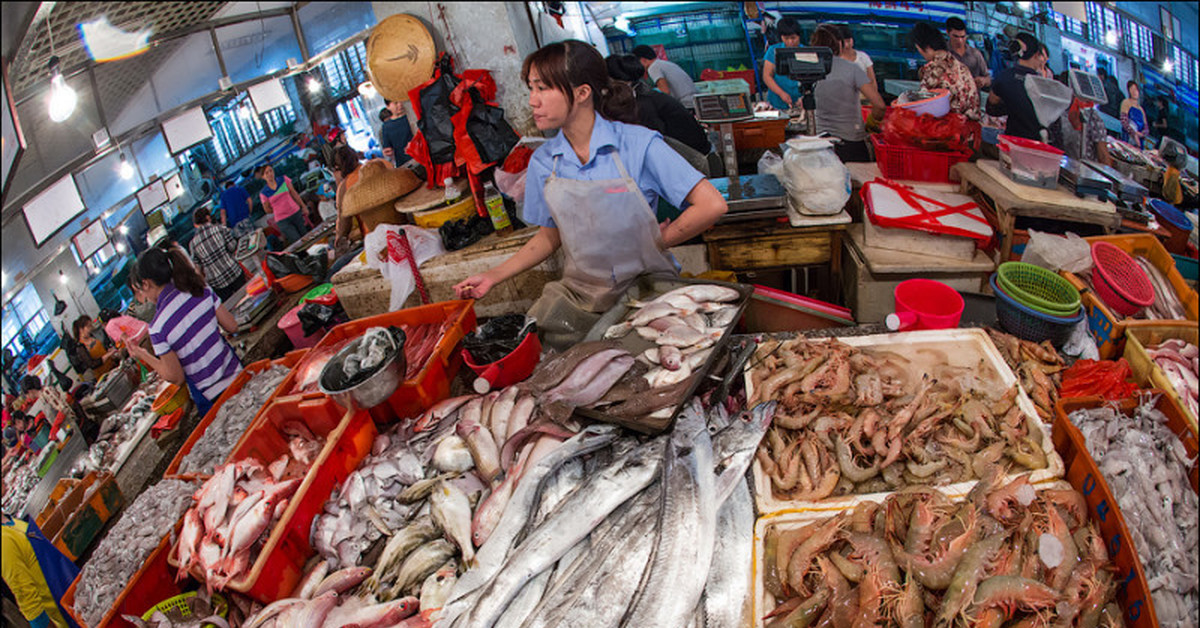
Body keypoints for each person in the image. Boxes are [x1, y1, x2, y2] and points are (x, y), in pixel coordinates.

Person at [453, 40, 727, 350]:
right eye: (531, 88)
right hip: (583, 296)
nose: (532, 101)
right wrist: (492, 276)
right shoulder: (546, 162)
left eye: (543, 88)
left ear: (583, 93)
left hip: (649, 289)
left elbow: (711, 205)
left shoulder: (637, 145)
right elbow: (548, 238)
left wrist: (655, 241)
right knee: (541, 351)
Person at [124, 246, 242, 418]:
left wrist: (141, 354)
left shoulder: (157, 328)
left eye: (140, 290)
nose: (143, 296)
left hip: (213, 399)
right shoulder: (200, 288)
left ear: (146, 284)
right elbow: (232, 326)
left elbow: (175, 377)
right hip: (238, 375)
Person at [606, 54, 711, 154]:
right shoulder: (644, 93)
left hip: (694, 156)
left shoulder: (644, 103)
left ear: (618, 82)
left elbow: (654, 141)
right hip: (693, 148)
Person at [810, 24, 886, 162]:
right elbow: (879, 105)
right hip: (851, 143)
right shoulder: (852, 69)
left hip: (820, 144)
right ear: (839, 43)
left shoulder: (810, 70)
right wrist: (871, 124)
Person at [2, 512, 79, 628]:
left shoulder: (8, 521)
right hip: (66, 611)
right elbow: (26, 596)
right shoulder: (4, 541)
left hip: (73, 586)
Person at [911, 22, 981, 120]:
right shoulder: (962, 67)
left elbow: (927, 112)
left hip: (948, 131)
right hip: (970, 130)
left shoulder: (933, 70)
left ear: (926, 47)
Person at [986, 32, 1045, 140]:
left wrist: (1009, 107)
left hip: (1012, 141)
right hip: (1036, 143)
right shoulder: (1042, 84)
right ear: (1036, 55)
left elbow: (991, 107)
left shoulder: (1004, 76)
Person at [189, 207, 246, 303]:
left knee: (232, 307)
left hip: (216, 283)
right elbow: (233, 246)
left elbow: (197, 269)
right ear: (208, 218)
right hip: (233, 271)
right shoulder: (220, 229)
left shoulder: (193, 244)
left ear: (196, 224)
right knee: (246, 297)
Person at [631, 45, 697, 111]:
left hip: (686, 104)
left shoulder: (653, 67)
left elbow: (665, 91)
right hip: (693, 100)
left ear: (643, 60)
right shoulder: (664, 63)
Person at [255, 162, 308, 245]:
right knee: (296, 240)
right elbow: (267, 209)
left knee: (306, 235)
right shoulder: (264, 193)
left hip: (296, 213)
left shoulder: (283, 179)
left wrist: (303, 206)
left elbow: (294, 193)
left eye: (270, 171)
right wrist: (278, 209)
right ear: (263, 177)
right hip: (282, 220)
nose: (269, 174)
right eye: (266, 173)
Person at [1049, 96, 1111, 164]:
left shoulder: (1055, 111)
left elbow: (1103, 155)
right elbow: (1103, 155)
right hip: (1069, 164)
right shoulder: (1091, 115)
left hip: (1066, 164)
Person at [763, 17, 803, 110]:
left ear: (799, 36)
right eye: (786, 38)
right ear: (781, 37)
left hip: (800, 102)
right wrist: (781, 93)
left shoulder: (807, 53)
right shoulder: (773, 51)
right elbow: (767, 76)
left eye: (793, 38)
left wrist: (804, 97)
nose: (790, 42)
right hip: (777, 102)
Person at [331, 145, 365, 251]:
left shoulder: (345, 186)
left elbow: (344, 221)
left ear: (338, 167)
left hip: (373, 235)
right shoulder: (375, 165)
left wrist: (339, 239)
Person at [945, 17, 991, 89]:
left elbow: (988, 78)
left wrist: (983, 81)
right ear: (947, 32)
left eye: (963, 37)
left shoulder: (975, 54)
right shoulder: (942, 53)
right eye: (956, 36)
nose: (960, 41)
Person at [380, 99, 415, 167]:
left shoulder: (411, 117)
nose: (400, 104)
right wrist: (388, 152)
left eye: (400, 101)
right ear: (388, 106)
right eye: (396, 103)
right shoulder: (386, 126)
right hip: (403, 164)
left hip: (421, 157)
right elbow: (387, 148)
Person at [1120, 81, 1148, 148]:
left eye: (1135, 89)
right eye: (1131, 89)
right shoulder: (1126, 102)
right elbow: (1124, 122)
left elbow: (1146, 127)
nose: (1134, 92)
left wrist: (1141, 134)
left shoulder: (1141, 109)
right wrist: (1134, 133)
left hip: (1139, 142)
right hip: (1128, 140)